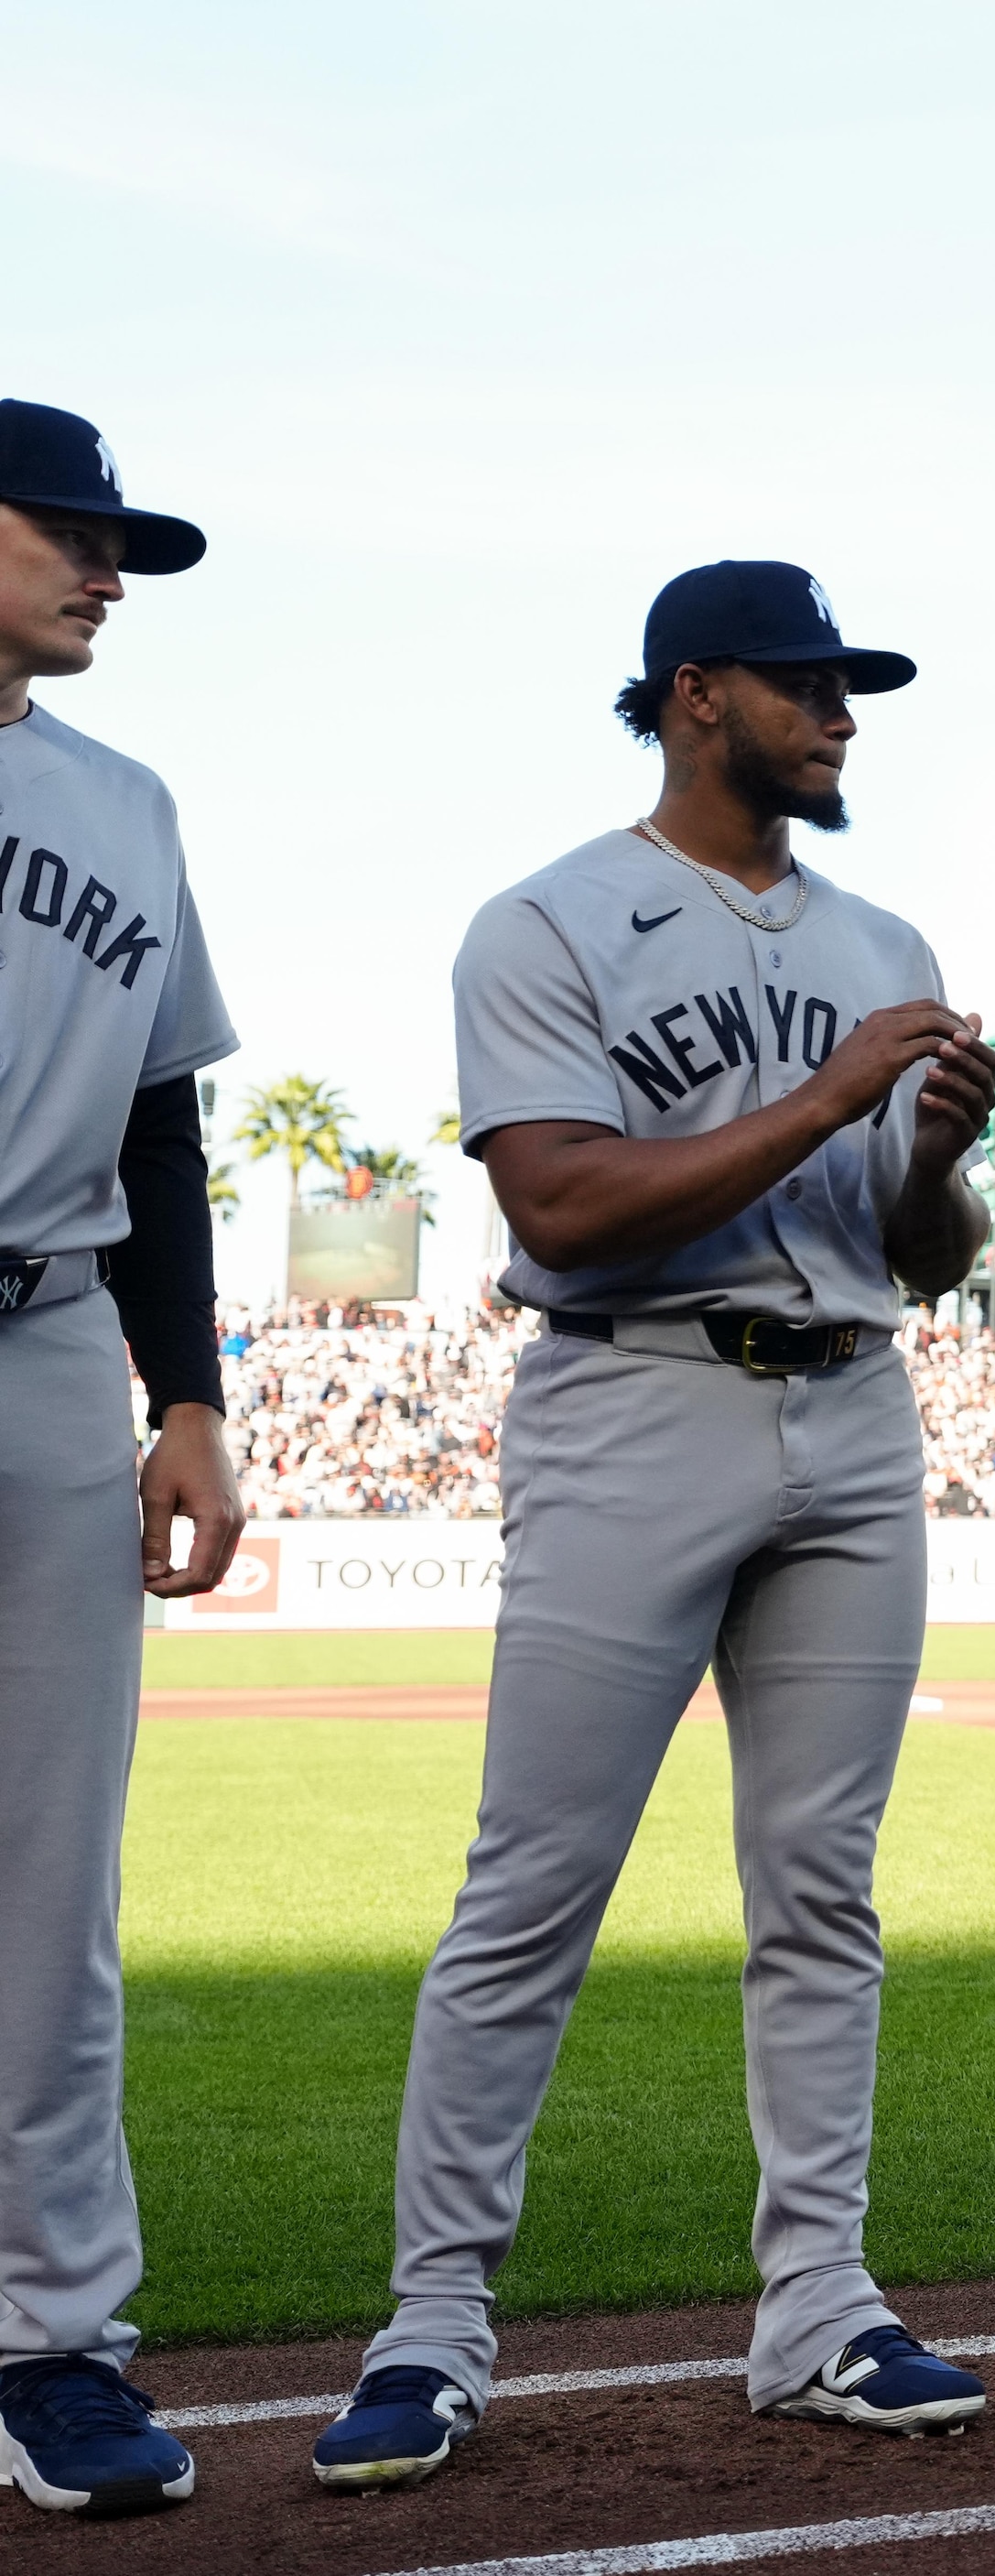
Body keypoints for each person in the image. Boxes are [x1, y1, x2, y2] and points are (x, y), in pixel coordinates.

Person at [317, 563, 995, 2490]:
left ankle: (820, 2304)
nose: (844, 713)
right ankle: (434, 2322)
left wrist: (930, 1149)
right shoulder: (546, 918)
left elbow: (916, 1252)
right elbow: (563, 1206)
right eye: (808, 685)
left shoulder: (883, 933)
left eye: (849, 687)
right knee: (530, 1891)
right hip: (633, 1397)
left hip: (855, 1405)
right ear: (696, 694)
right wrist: (831, 1093)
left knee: (823, 1889)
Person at [0, 399, 237, 2520]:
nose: (108, 566)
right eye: (68, 529)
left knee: (49, 1889)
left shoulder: (125, 800)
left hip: (48, 1340)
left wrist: (191, 1388)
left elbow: (161, 1119)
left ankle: (53, 2337)